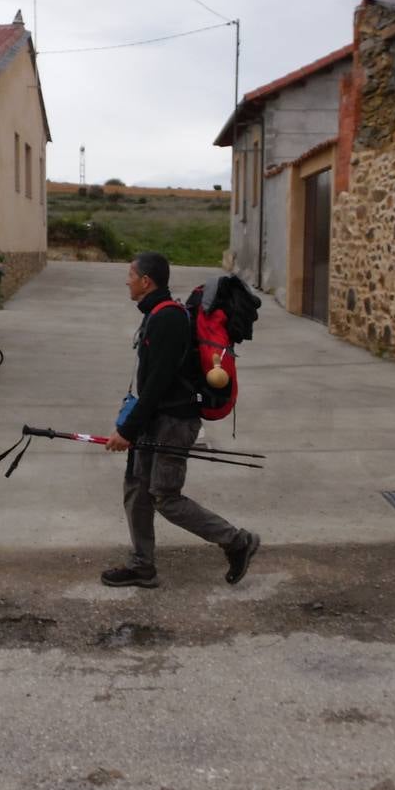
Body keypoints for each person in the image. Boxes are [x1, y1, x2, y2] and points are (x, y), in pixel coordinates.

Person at [100, 252, 260, 588]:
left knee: (165, 496)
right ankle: (142, 565)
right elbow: (151, 385)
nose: (126, 280)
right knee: (136, 490)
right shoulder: (155, 314)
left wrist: (126, 430)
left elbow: (157, 384)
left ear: (146, 281)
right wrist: (133, 424)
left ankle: (236, 541)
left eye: (130, 274)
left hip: (175, 421)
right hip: (155, 419)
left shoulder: (168, 319)